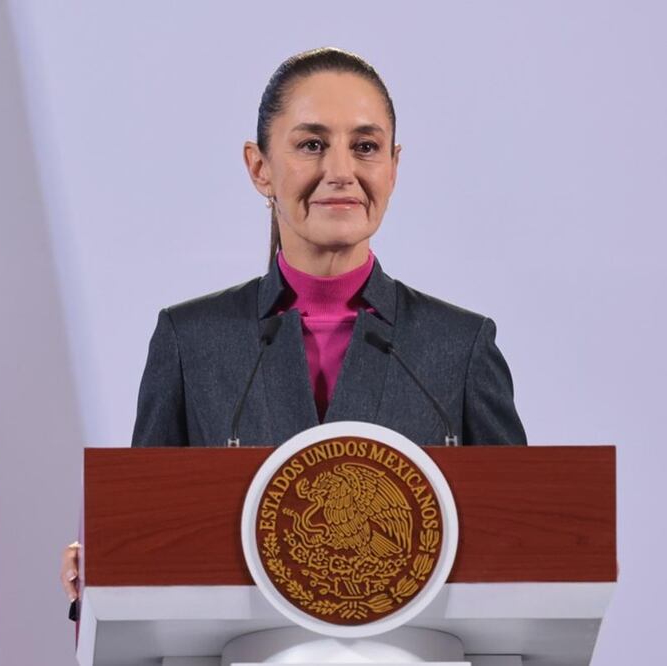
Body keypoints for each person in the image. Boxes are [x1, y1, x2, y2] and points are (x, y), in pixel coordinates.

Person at [61, 47, 526, 605]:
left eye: (365, 147)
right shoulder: (192, 341)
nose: (341, 172)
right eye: (311, 145)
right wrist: (109, 563)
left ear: (394, 167)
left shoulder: (460, 346)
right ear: (260, 168)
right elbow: (149, 531)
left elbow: (521, 551)